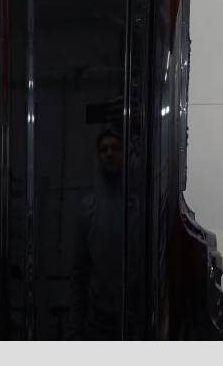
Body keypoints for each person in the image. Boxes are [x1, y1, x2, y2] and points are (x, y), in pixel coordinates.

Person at [69, 126, 142, 339]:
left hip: (133, 324)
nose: (109, 153)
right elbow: (79, 273)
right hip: (97, 325)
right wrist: (75, 330)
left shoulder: (138, 208)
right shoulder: (88, 208)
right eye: (104, 149)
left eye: (115, 148)